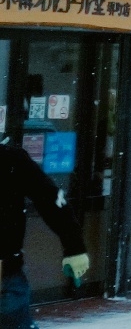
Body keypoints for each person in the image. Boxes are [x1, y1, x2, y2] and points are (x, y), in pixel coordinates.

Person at [0, 139, 86, 326]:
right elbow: (51, 200)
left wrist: (74, 247)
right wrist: (74, 247)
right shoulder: (10, 159)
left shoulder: (10, 160)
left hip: (5, 277)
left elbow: (51, 200)